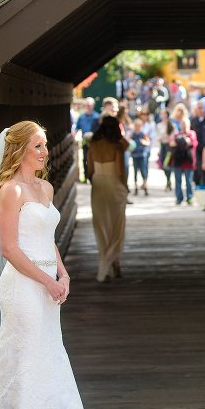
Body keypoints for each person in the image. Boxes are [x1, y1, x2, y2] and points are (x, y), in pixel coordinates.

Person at [0, 121, 113, 409]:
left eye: (46, 145)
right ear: (19, 150)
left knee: (50, 354)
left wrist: (62, 275)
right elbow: (9, 248)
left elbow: (48, 240)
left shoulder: (46, 188)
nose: (45, 152)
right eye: (37, 146)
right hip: (22, 287)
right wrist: (46, 282)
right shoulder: (10, 191)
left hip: (48, 282)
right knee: (27, 356)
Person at [88, 115, 129, 281]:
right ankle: (114, 263)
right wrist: (125, 188)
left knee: (101, 226)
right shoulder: (117, 147)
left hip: (98, 184)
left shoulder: (93, 145)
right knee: (116, 226)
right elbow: (120, 172)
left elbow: (90, 170)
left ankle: (104, 265)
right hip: (114, 184)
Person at [169, 120, 198, 205]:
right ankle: (179, 198)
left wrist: (181, 142)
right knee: (178, 181)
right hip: (177, 161)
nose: (184, 126)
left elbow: (193, 143)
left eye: (185, 124)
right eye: (182, 124)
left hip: (188, 161)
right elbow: (172, 143)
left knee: (188, 181)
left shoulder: (191, 133)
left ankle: (190, 197)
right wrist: (183, 141)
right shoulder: (176, 135)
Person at [74, 97, 100, 183]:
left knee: (95, 159)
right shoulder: (81, 117)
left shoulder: (97, 117)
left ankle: (94, 177)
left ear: (93, 105)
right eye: (87, 105)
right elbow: (77, 128)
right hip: (85, 142)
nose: (88, 106)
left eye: (90, 105)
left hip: (95, 143)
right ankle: (85, 177)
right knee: (85, 159)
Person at [127, 118, 150, 195]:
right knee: (135, 171)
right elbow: (128, 143)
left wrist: (144, 142)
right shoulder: (132, 134)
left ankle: (145, 185)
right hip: (134, 155)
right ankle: (136, 187)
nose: (137, 127)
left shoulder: (143, 133)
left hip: (142, 155)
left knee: (143, 171)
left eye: (139, 126)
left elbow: (148, 142)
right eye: (136, 125)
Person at [190, 101, 205, 187]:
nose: (200, 110)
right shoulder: (193, 120)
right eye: (198, 108)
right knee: (197, 165)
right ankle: (197, 183)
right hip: (196, 147)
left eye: (201, 108)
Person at [156, 108, 175, 191]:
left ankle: (168, 180)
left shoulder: (171, 125)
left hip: (168, 146)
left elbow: (173, 136)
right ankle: (168, 180)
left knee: (167, 163)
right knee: (163, 164)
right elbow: (157, 137)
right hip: (162, 146)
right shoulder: (159, 125)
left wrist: (167, 138)